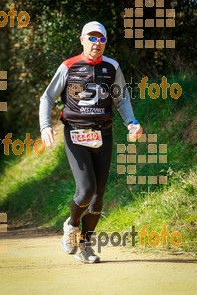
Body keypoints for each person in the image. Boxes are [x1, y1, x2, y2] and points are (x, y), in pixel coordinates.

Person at [39, 21, 142, 263]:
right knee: (86, 190)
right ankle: (72, 225)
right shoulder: (68, 67)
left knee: (98, 197)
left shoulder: (112, 66)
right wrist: (45, 126)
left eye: (101, 39)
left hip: (104, 134)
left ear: (105, 42)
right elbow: (47, 97)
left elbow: (122, 99)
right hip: (75, 134)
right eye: (92, 38)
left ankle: (85, 245)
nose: (97, 43)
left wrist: (131, 122)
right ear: (82, 40)